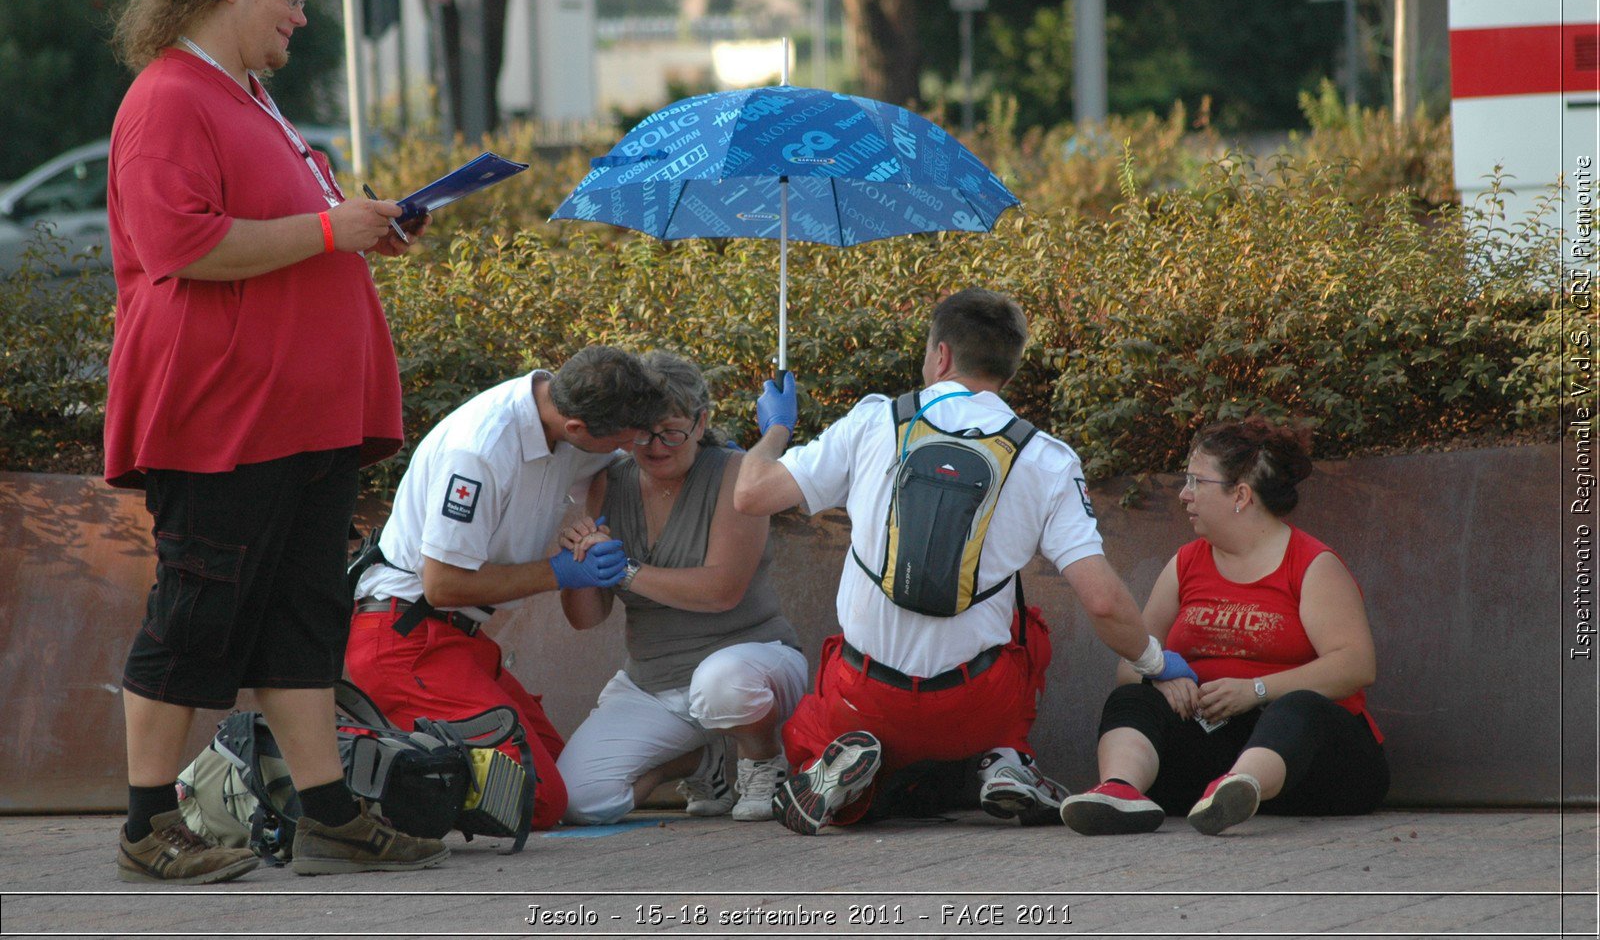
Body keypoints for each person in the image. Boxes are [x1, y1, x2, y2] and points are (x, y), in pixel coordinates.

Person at [106, 0, 437, 883]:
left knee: (301, 615)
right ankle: (144, 822)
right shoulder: (171, 95)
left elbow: (287, 232)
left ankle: (327, 807)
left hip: (296, 413)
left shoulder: (250, 99)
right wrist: (333, 232)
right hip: (221, 415)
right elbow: (186, 245)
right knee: (195, 614)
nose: (301, 15)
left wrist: (355, 226)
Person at [733, 288, 1197, 835]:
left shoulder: (875, 421)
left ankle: (828, 761)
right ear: (1009, 368)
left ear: (942, 356)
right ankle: (1003, 759)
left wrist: (776, 429)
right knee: (1031, 631)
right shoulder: (1046, 457)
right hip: (975, 707)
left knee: (814, 724)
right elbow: (1101, 600)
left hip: (863, 698)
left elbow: (751, 494)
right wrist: (1153, 661)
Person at [344, 347, 665, 832]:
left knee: (565, 779)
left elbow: (610, 467)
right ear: (578, 429)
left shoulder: (565, 416)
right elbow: (443, 583)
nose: (639, 445)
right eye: (630, 437)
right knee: (534, 799)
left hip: (458, 641)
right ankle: (340, 778)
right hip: (403, 640)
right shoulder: (480, 450)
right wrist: (560, 572)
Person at [1059, 417, 1388, 837]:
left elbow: (1357, 665)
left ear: (1241, 495)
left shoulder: (1309, 564)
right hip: (1213, 744)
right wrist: (1160, 677)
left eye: (1197, 482)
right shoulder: (1186, 563)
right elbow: (1131, 659)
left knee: (1298, 706)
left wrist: (1255, 691)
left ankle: (1242, 785)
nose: (1184, 495)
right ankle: (1121, 791)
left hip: (1317, 765)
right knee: (1133, 698)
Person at [555, 352, 808, 825]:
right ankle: (697, 761)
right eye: (642, 432)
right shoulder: (607, 481)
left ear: (700, 422)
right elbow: (586, 618)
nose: (655, 446)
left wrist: (624, 571)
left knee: (722, 683)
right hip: (651, 681)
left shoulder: (734, 471)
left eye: (671, 431)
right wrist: (582, 565)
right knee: (577, 800)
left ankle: (762, 758)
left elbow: (721, 591)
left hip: (751, 662)